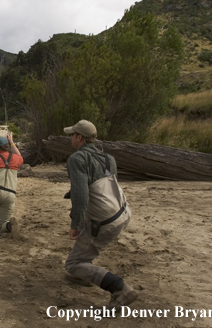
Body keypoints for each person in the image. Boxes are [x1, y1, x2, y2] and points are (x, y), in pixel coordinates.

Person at [63, 119, 138, 309]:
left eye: (72, 134)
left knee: (73, 264)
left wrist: (75, 224)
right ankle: (83, 276)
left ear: (79, 137)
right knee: (84, 253)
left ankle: (120, 289)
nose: (70, 137)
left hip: (104, 221)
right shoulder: (108, 158)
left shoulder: (76, 159)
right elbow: (104, 187)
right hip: (122, 213)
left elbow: (81, 197)